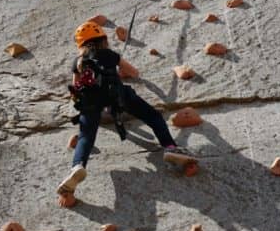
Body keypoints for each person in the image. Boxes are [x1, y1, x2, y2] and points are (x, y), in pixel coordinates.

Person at [56, 21, 188, 205]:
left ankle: (77, 166)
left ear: (81, 44)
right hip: (117, 96)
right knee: (152, 116)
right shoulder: (110, 55)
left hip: (90, 102)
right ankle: (170, 147)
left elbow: (76, 87)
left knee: (86, 137)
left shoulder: (78, 62)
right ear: (103, 39)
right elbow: (134, 72)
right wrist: (120, 72)